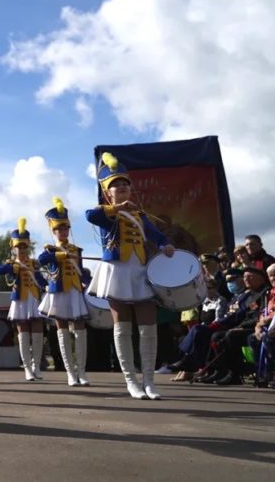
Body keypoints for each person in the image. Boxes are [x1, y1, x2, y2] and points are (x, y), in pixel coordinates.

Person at [86, 152, 175, 400]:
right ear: (108, 193)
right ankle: (131, 381)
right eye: (117, 186)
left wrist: (165, 244)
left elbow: (158, 235)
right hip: (117, 273)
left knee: (148, 328)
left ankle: (149, 381)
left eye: (125, 185)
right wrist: (116, 208)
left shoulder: (140, 214)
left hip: (140, 271)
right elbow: (90, 216)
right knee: (122, 328)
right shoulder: (106, 214)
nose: (123, 189)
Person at [38, 198, 92, 386]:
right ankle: (70, 372)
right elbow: (42, 260)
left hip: (75, 291)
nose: (62, 232)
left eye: (65, 228)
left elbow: (82, 272)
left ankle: (82, 372)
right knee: (62, 330)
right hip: (59, 293)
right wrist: (61, 255)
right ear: (53, 231)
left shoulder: (77, 249)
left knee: (80, 330)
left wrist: (89, 284)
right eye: (58, 229)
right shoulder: (50, 250)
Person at [0, 219, 46, 382]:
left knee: (38, 332)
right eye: (19, 246)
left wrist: (47, 286)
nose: (22, 250)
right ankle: (27, 368)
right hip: (20, 300)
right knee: (23, 333)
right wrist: (13, 268)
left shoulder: (33, 263)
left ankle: (36, 366)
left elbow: (41, 280)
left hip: (34, 299)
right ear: (13, 247)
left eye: (25, 246)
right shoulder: (11, 263)